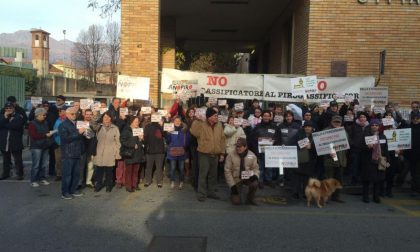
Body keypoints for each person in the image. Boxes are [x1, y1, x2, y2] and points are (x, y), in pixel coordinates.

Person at [190, 107, 226, 202]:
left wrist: (222, 153)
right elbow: (193, 131)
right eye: (215, 115)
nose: (216, 117)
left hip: (215, 154)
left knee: (213, 175)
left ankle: (211, 192)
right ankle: (201, 194)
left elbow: (222, 139)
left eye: (217, 115)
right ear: (209, 116)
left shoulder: (219, 125)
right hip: (204, 154)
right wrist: (197, 120)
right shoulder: (201, 124)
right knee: (203, 174)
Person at [58, 107, 86, 199]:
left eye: (75, 113)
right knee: (67, 174)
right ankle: (65, 192)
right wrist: (78, 133)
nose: (74, 115)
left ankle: (73, 190)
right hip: (68, 153)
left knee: (76, 173)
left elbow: (80, 137)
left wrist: (85, 133)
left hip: (77, 152)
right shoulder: (63, 125)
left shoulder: (77, 123)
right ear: (67, 114)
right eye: (72, 114)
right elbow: (66, 138)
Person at [360, 119, 390, 203]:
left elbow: (386, 149)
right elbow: (361, 146)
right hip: (368, 160)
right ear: (370, 126)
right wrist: (367, 147)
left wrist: (387, 160)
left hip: (380, 160)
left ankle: (376, 196)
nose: (374, 126)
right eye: (373, 125)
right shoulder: (366, 135)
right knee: (367, 179)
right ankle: (365, 196)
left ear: (379, 126)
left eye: (376, 125)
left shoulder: (383, 136)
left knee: (378, 179)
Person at [224, 138, 259, 205]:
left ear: (245, 147)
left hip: (247, 176)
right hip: (236, 179)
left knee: (255, 183)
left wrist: (255, 175)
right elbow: (227, 171)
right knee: (236, 202)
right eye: (237, 146)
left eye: (240, 147)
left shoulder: (252, 155)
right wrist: (232, 186)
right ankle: (234, 193)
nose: (238, 148)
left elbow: (256, 169)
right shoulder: (230, 155)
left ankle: (249, 199)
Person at [93, 112, 121, 192]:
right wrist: (96, 115)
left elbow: (118, 141)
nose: (106, 119)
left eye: (108, 117)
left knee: (109, 171)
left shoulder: (115, 128)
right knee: (99, 170)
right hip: (99, 152)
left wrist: (117, 153)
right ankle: (98, 184)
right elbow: (92, 124)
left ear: (111, 118)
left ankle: (109, 185)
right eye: (105, 117)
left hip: (110, 152)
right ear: (102, 118)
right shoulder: (98, 127)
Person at [249, 110, 277, 188]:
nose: (266, 117)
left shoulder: (274, 127)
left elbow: (278, 137)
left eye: (268, 116)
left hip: (271, 150)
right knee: (260, 166)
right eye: (265, 116)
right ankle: (260, 181)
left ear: (270, 117)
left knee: (269, 166)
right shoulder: (257, 126)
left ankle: (268, 180)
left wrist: (274, 140)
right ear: (262, 116)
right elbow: (252, 138)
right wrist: (257, 140)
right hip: (260, 150)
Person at [322, 115, 347, 203]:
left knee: (339, 180)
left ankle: (336, 196)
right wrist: (327, 151)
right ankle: (326, 197)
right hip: (329, 160)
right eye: (335, 122)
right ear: (331, 122)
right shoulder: (325, 131)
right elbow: (320, 145)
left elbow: (346, 145)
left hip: (341, 160)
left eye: (338, 122)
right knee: (329, 179)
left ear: (341, 123)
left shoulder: (343, 131)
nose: (336, 123)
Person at [28, 108, 53, 187]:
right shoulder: (32, 124)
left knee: (43, 164)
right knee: (36, 164)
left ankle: (42, 178)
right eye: (43, 115)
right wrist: (45, 135)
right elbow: (34, 135)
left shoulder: (45, 122)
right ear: (38, 115)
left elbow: (46, 131)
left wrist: (50, 133)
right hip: (36, 146)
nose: (45, 116)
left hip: (45, 145)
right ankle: (33, 180)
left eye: (45, 115)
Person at [0, 102, 25, 180]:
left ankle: (20, 174)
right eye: (7, 108)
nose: (8, 110)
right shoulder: (2, 116)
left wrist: (4, 125)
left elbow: (15, 126)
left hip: (15, 141)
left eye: (10, 108)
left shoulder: (19, 116)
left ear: (13, 108)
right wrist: (5, 118)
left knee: (18, 159)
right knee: (6, 160)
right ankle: (5, 174)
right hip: (5, 141)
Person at [120, 116, 145, 192]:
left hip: (138, 153)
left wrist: (141, 139)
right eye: (136, 122)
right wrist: (132, 145)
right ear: (131, 122)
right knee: (129, 171)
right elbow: (122, 141)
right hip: (130, 153)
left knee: (136, 171)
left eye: (138, 122)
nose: (137, 123)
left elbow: (142, 142)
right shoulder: (126, 130)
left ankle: (135, 184)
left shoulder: (139, 130)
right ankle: (129, 186)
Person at [293, 121, 317, 199]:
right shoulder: (298, 134)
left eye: (309, 127)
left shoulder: (315, 136)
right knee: (297, 177)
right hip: (300, 159)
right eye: (306, 126)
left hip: (310, 159)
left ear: (312, 128)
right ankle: (295, 192)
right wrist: (301, 145)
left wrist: (312, 147)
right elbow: (292, 143)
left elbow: (320, 148)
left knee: (307, 178)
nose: (307, 128)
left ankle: (305, 193)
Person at [166, 116, 190, 189]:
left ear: (180, 121)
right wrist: (168, 134)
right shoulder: (170, 129)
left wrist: (185, 150)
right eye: (176, 120)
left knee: (181, 168)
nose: (177, 122)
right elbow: (168, 141)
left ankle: (181, 182)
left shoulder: (185, 130)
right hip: (172, 152)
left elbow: (188, 141)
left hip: (182, 152)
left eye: (178, 120)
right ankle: (172, 181)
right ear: (173, 121)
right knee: (172, 168)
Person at [143, 113, 166, 188]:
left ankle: (159, 181)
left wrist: (162, 126)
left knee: (159, 167)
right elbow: (145, 138)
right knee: (149, 167)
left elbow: (164, 135)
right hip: (150, 150)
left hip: (160, 150)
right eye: (154, 117)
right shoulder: (147, 126)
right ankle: (147, 180)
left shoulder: (161, 126)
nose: (155, 118)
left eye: (157, 117)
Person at [348, 112, 370, 185]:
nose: (362, 118)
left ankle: (362, 180)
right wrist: (353, 144)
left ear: (366, 118)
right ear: (358, 118)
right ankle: (354, 180)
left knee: (363, 166)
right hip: (355, 150)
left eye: (364, 117)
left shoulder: (369, 127)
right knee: (355, 165)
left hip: (365, 150)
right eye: (361, 117)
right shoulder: (354, 126)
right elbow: (349, 137)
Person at [52, 106, 67, 181]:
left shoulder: (69, 120)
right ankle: (58, 174)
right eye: (59, 111)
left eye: (61, 111)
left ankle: (65, 173)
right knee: (58, 160)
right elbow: (54, 130)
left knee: (66, 160)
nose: (60, 113)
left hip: (67, 143)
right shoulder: (57, 120)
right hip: (58, 143)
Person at [407, 111, 420, 196]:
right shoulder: (408, 127)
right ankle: (414, 189)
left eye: (417, 118)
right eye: (413, 118)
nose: (415, 120)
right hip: (411, 154)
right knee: (414, 173)